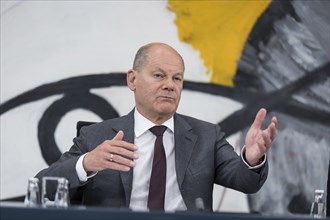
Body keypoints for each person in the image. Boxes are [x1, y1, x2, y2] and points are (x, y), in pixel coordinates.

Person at [36, 42, 278, 212]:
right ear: (132, 79)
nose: (170, 85)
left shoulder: (207, 136)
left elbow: (246, 182)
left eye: (177, 78)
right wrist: (86, 163)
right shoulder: (95, 136)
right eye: (159, 76)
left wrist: (252, 159)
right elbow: (42, 189)